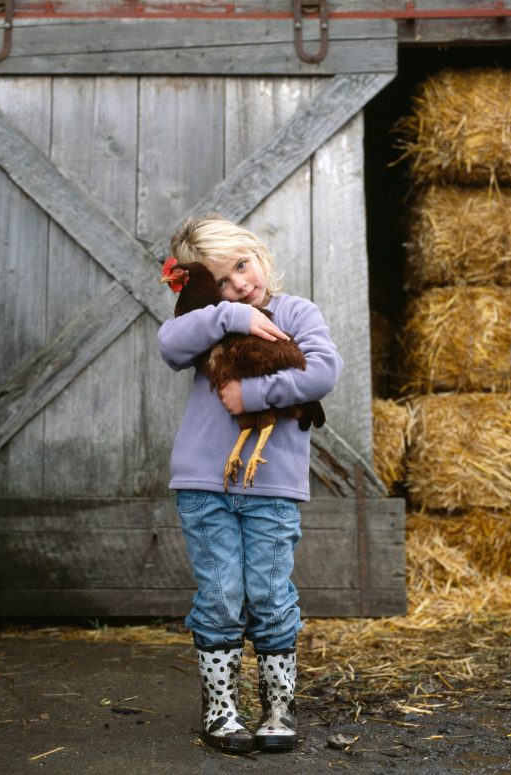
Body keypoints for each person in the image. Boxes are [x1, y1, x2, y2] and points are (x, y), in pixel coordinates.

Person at [157, 214, 343, 753]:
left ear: (258, 254)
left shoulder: (295, 312)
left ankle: (277, 709)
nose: (239, 283)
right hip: (203, 486)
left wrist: (253, 398)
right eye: (221, 281)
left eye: (241, 266)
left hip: (272, 488)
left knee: (268, 593)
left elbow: (323, 372)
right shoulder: (211, 319)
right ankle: (221, 709)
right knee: (219, 595)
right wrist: (227, 315)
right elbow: (170, 345)